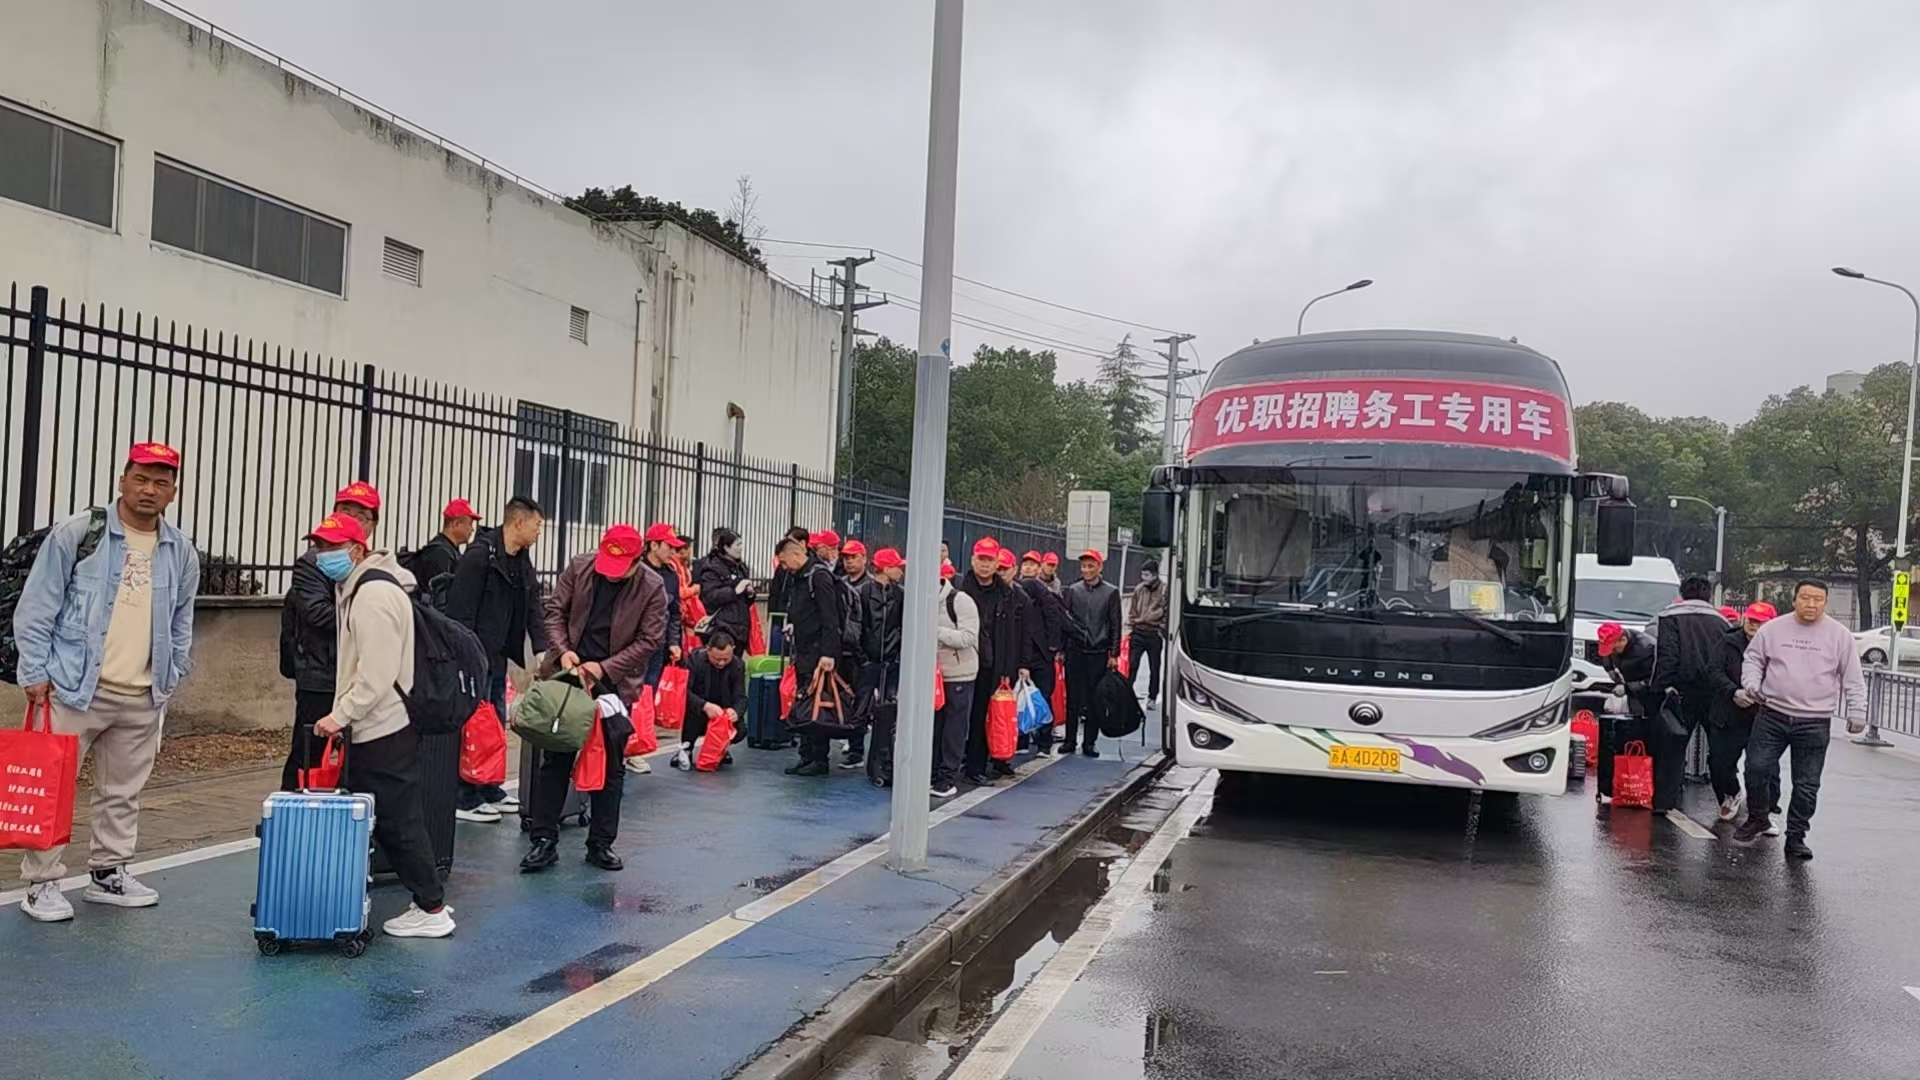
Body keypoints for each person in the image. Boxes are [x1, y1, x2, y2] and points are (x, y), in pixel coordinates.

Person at [15, 443, 199, 923]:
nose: (149, 490)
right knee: (53, 788)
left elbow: (182, 620)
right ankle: (41, 882)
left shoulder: (180, 550)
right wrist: (34, 671)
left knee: (122, 791)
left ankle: (108, 873)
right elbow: (38, 604)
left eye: (161, 482)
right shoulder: (80, 533)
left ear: (173, 492)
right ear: (122, 481)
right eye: (141, 478)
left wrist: (172, 673)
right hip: (73, 687)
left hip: (142, 694)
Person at [305, 512, 454, 938]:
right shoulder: (362, 587)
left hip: (382, 725)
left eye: (331, 547)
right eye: (319, 546)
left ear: (357, 550)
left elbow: (376, 673)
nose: (322, 554)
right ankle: (427, 900)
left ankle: (431, 906)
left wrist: (340, 715)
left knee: (397, 820)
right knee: (393, 816)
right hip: (382, 722)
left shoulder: (371, 596)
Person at [525, 524, 665, 872]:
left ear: (637, 561)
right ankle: (544, 839)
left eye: (620, 569)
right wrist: (563, 652)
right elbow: (555, 612)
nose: (611, 574)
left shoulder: (652, 586)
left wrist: (604, 668)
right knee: (556, 758)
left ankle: (601, 843)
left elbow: (649, 640)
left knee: (612, 765)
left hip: (613, 684)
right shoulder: (580, 566)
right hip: (569, 675)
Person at [1732, 580, 1867, 859]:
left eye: (1818, 599)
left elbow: (1853, 677)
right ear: (1794, 600)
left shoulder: (1839, 635)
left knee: (1806, 784)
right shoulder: (1773, 629)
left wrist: (1858, 711)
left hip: (1814, 720)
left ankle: (1796, 837)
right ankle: (1758, 816)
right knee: (1756, 768)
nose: (1811, 604)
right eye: (1805, 598)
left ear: (1825, 603)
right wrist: (1751, 684)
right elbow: (1753, 659)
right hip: (1772, 714)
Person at [443, 495, 548, 822]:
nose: (539, 532)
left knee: (493, 724)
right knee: (472, 725)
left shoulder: (520, 559)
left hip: (499, 655)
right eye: (537, 525)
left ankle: (489, 786)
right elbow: (460, 614)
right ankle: (464, 796)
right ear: (519, 521)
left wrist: (541, 648)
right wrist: (468, 659)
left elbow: (533, 604)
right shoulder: (480, 557)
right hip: (474, 657)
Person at [278, 482, 382, 792]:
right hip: (321, 675)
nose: (353, 520)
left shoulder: (370, 564)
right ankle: (292, 808)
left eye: (362, 516)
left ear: (373, 525)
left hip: (356, 676)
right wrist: (368, 618)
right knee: (309, 755)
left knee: (352, 759)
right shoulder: (314, 562)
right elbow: (318, 614)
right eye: (346, 511)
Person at [1648, 575, 1730, 812]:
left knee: (1672, 747)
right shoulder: (1722, 621)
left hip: (1680, 692)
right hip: (1715, 692)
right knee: (1719, 748)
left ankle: (1664, 801)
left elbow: (1668, 655)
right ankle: (1726, 797)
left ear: (1682, 593)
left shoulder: (1670, 616)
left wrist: (1660, 688)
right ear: (1708, 595)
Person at [960, 539, 1030, 783]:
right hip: (963, 662)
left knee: (984, 715)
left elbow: (1013, 635)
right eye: (981, 559)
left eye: (990, 560)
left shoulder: (1007, 594)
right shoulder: (960, 588)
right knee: (956, 717)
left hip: (993, 665)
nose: (985, 565)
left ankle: (975, 766)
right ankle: (948, 764)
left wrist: (1012, 667)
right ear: (973, 560)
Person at [777, 535, 846, 777]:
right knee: (804, 702)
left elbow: (830, 617)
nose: (783, 567)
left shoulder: (818, 576)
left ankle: (819, 757)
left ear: (796, 554)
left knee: (817, 703)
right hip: (804, 649)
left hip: (818, 651)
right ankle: (806, 754)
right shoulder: (799, 577)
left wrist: (828, 653)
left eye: (784, 561)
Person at [1708, 601, 1780, 826]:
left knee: (1764, 767)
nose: (1753, 625)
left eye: (1760, 622)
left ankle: (1765, 813)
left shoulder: (1779, 645)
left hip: (1764, 715)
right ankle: (1731, 793)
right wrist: (1733, 692)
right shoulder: (1727, 642)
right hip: (1728, 711)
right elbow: (1714, 671)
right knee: (1720, 761)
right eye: (1751, 620)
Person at [843, 547, 905, 770]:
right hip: (868, 661)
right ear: (886, 568)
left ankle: (883, 755)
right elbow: (853, 630)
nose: (901, 572)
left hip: (890, 661)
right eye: (897, 567)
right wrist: (862, 659)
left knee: (887, 709)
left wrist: (897, 655)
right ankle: (856, 751)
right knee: (860, 706)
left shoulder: (900, 594)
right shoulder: (862, 593)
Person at [1062, 550, 1122, 758]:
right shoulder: (1073, 590)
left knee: (1094, 698)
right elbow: (1065, 621)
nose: (1086, 570)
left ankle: (1089, 741)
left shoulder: (1111, 592)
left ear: (1099, 567)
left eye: (1090, 566)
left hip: (1098, 651)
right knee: (1072, 697)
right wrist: (1062, 649)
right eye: (1084, 566)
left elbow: (1115, 624)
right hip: (1075, 650)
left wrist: (1114, 653)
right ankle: (1070, 740)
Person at [1595, 620, 1658, 806]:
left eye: (1614, 648)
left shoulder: (1646, 649)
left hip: (1650, 696)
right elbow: (1606, 657)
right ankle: (1625, 780)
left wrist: (1628, 688)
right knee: (1631, 733)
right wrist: (1611, 671)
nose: (1612, 652)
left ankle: (1646, 781)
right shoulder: (1612, 648)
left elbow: (1653, 680)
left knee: (1646, 734)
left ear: (1623, 639)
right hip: (1631, 691)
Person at [933, 560, 981, 798]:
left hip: (958, 674)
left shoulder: (960, 601)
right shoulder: (919, 600)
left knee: (953, 728)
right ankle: (934, 773)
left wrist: (935, 631)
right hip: (933, 676)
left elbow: (968, 637)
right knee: (936, 727)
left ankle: (947, 777)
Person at [673, 631, 747, 771]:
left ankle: (721, 747)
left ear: (733, 650)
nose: (721, 663)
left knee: (741, 730)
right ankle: (687, 748)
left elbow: (741, 696)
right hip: (699, 708)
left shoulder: (737, 665)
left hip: (723, 711)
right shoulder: (695, 660)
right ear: (708, 650)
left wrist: (736, 711)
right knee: (692, 713)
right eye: (717, 658)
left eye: (726, 659)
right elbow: (683, 692)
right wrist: (704, 706)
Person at [1016, 550, 1065, 757]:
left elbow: (1054, 619)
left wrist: (1053, 647)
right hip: (1022, 654)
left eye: (1033, 564)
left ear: (1039, 568)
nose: (1028, 567)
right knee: (1020, 698)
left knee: (1043, 698)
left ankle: (1044, 742)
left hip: (1042, 654)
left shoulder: (1046, 593)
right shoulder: (1014, 589)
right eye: (1025, 563)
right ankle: (1021, 740)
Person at [692, 527, 756, 645]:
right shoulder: (712, 567)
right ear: (726, 547)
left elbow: (746, 602)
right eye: (737, 545)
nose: (741, 548)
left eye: (741, 544)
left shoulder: (741, 567)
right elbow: (710, 596)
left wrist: (750, 594)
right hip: (721, 627)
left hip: (741, 628)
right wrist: (734, 591)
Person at [405, 497, 481, 593]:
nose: (472, 529)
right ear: (456, 524)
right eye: (470, 524)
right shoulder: (440, 553)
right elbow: (438, 595)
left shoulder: (449, 550)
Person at [642, 524, 686, 682]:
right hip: (636, 646)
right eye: (669, 547)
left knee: (653, 689)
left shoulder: (671, 575)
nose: (673, 552)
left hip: (659, 646)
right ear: (654, 545)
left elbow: (674, 612)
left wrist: (673, 642)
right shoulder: (637, 572)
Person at [1127, 558, 1169, 704]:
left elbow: (1167, 611)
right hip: (1138, 631)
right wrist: (1131, 626)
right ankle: (1127, 693)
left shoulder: (1164, 590)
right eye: (1142, 574)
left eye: (1147, 575)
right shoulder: (1139, 589)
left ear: (1155, 575)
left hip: (1154, 633)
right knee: (1132, 665)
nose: (1143, 577)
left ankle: (1152, 696)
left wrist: (1161, 628)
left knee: (1154, 667)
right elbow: (1132, 610)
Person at [767, 525, 812, 620]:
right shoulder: (782, 566)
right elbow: (775, 592)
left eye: (791, 542)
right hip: (781, 615)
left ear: (802, 543)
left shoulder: (814, 570)